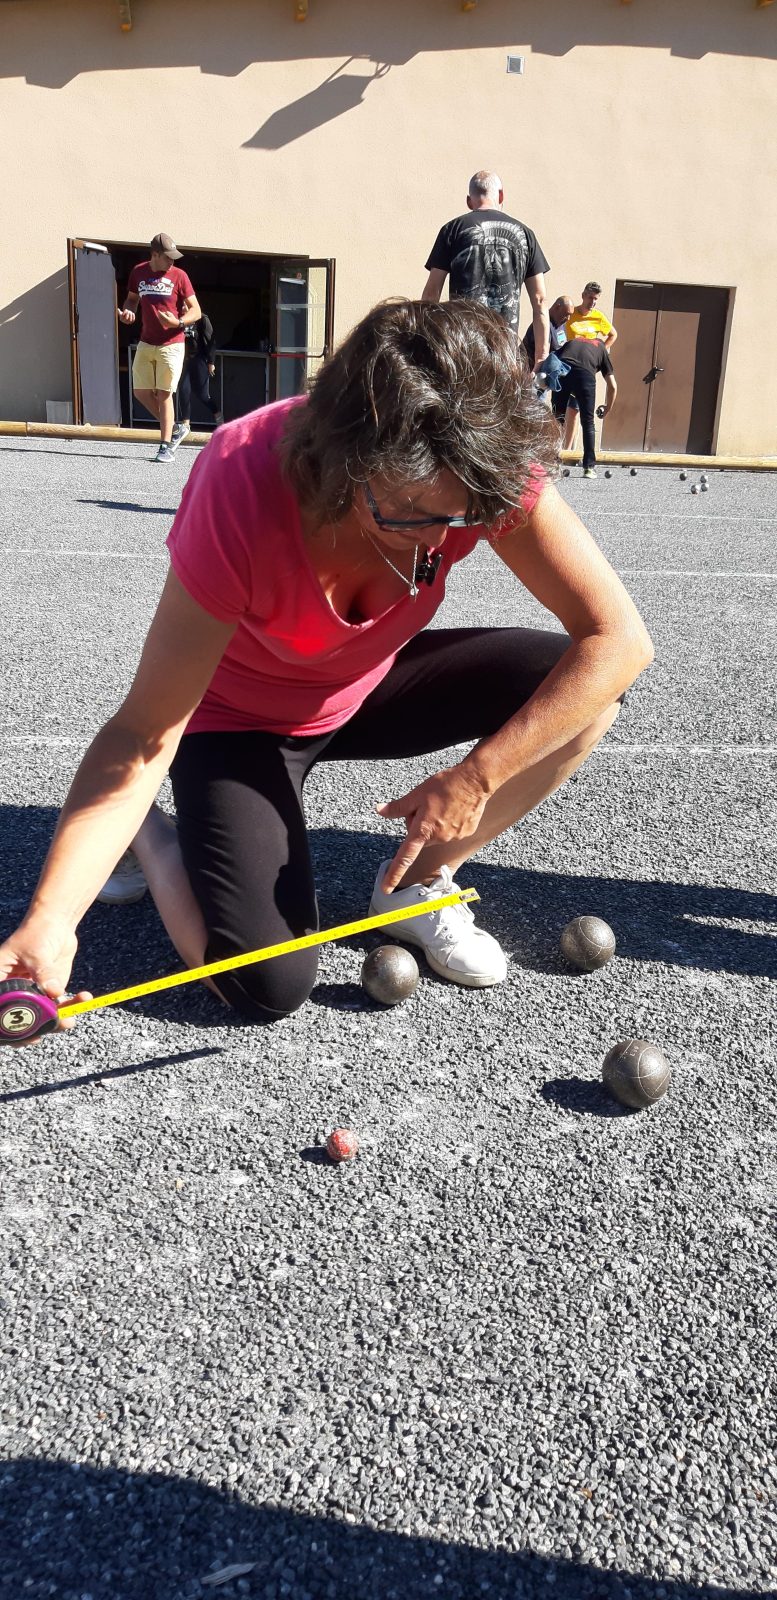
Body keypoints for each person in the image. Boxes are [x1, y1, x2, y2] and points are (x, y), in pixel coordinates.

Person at [0, 300, 651, 1040]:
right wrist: (52, 921)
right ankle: (153, 835)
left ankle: (412, 886)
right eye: (414, 515)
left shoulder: (477, 464)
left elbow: (618, 640)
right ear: (348, 463)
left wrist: (477, 777)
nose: (443, 540)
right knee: (262, 987)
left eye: (464, 517)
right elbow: (147, 731)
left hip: (364, 685)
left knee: (584, 694)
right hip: (236, 721)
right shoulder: (241, 484)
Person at [422, 171, 550, 369]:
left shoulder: (452, 229)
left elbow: (431, 293)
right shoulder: (526, 235)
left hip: (462, 350)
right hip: (504, 354)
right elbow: (540, 300)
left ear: (468, 201)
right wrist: (541, 356)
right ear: (501, 196)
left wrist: (426, 343)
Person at [118, 232, 201, 464]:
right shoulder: (138, 272)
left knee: (164, 394)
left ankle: (166, 447)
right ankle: (175, 428)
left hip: (172, 343)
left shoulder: (179, 276)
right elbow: (132, 299)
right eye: (167, 257)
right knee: (141, 392)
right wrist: (129, 311)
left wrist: (178, 323)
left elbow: (195, 310)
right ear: (154, 255)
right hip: (146, 341)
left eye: (174, 257)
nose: (172, 261)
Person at [551, 336, 617, 478]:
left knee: (557, 419)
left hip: (562, 370)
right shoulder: (602, 349)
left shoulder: (574, 341)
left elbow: (552, 359)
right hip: (585, 374)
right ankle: (589, 468)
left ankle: (551, 464)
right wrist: (608, 408)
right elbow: (613, 386)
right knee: (587, 422)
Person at [173, 312, 223, 452]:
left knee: (203, 395)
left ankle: (219, 418)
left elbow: (211, 340)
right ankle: (185, 425)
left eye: (186, 305)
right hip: (185, 360)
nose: (183, 308)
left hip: (200, 359)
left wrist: (211, 361)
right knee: (183, 390)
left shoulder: (201, 318)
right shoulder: (177, 318)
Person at [565, 283, 618, 349]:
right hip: (571, 355)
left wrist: (600, 352)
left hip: (589, 357)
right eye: (590, 298)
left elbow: (613, 335)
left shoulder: (598, 316)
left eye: (595, 299)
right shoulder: (570, 313)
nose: (593, 302)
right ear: (583, 296)